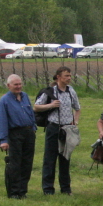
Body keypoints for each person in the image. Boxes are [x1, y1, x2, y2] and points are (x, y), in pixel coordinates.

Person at [34, 66, 80, 195]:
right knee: (50, 159)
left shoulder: (71, 91)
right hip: (53, 127)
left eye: (70, 76)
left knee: (65, 158)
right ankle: (48, 189)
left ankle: (66, 189)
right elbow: (36, 106)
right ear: (58, 77)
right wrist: (51, 105)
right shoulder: (50, 91)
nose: (69, 78)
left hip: (67, 129)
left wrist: (75, 122)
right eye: (66, 76)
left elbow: (78, 108)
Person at [0, 74, 37, 199]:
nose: (18, 87)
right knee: (15, 163)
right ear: (9, 86)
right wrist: (3, 140)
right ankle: (14, 192)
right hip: (15, 134)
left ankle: (22, 191)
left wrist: (34, 128)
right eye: (15, 85)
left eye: (20, 84)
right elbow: (2, 121)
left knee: (27, 163)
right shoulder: (4, 101)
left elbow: (30, 112)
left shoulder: (25, 96)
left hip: (28, 133)